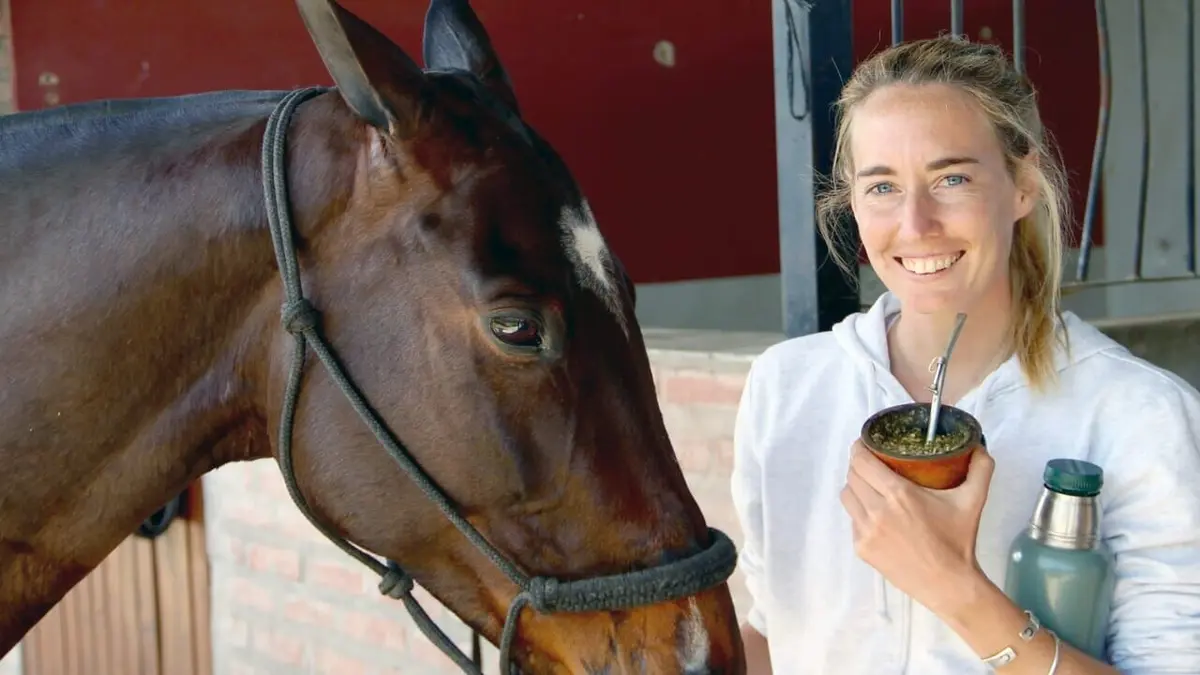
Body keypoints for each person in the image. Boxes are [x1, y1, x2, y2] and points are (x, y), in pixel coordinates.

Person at [731, 35, 1200, 675]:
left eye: (952, 178)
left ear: (1024, 185)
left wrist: (955, 588)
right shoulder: (785, 387)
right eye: (882, 187)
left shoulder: (1139, 415)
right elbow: (772, 631)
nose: (916, 225)